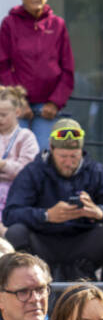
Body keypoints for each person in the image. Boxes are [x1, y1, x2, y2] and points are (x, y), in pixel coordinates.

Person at [2, 119, 103, 285]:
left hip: (83, 244)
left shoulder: (96, 171)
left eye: (74, 156)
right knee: (15, 232)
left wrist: (99, 212)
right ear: (51, 148)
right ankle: (28, 288)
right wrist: (46, 215)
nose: (69, 162)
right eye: (63, 156)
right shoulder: (33, 171)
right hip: (43, 243)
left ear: (82, 151)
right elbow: (10, 214)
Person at [0, 0, 73, 152]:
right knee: (14, 153)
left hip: (47, 106)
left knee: (42, 155)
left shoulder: (58, 25)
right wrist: (17, 101)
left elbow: (68, 69)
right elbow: (2, 65)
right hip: (18, 104)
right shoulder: (9, 24)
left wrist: (55, 102)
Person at [0, 87, 40, 227]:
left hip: (17, 196)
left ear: (17, 112)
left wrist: (4, 165)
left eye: (3, 115)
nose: (0, 119)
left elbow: (28, 172)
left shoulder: (26, 137)